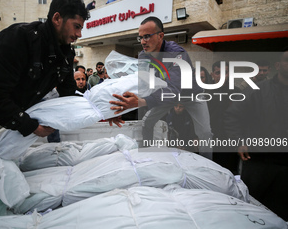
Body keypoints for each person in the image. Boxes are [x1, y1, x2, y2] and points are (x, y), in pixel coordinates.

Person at [0, 0, 89, 215]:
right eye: (76, 26)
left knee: (5, 158)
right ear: (57, 19)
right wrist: (31, 126)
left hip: (6, 101)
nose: (78, 34)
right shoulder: (17, 39)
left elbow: (66, 93)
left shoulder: (65, 52)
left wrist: (96, 110)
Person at [109, 16, 213, 159]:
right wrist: (124, 104)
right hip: (166, 95)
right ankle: (148, 157)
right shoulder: (144, 57)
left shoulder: (177, 54)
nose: (143, 42)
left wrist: (142, 102)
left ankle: (207, 165)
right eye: (140, 38)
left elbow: (174, 88)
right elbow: (138, 83)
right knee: (147, 122)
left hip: (191, 94)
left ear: (160, 36)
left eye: (147, 36)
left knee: (205, 132)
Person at [224, 48, 288, 220]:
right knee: (255, 211)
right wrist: (238, 141)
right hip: (260, 162)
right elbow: (232, 115)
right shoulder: (257, 90)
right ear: (278, 65)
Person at [207, 61, 240, 173]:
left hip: (230, 141)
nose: (221, 76)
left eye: (225, 72)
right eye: (218, 72)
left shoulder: (237, 92)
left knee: (230, 172)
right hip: (210, 140)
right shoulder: (205, 91)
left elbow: (242, 118)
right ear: (212, 74)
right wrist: (195, 136)